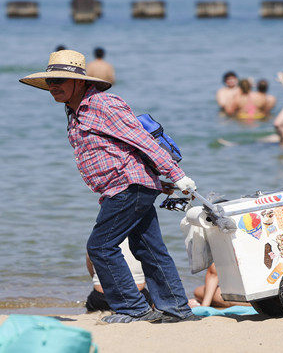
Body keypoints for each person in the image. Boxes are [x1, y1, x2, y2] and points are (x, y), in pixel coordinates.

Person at [19, 49, 199, 324]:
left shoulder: (103, 104)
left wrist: (176, 175)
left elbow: (141, 140)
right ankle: (177, 309)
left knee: (100, 247)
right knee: (148, 249)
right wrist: (157, 181)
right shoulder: (75, 110)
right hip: (126, 186)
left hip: (128, 185)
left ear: (80, 82)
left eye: (59, 81)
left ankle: (133, 308)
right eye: (50, 82)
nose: (52, 87)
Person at [85, 240, 151, 312]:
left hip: (101, 298)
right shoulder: (141, 242)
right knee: (152, 300)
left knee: (92, 304)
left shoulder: (98, 240)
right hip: (136, 296)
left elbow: (92, 271)